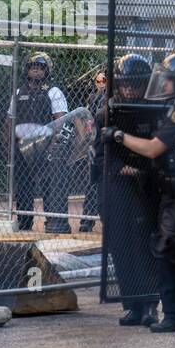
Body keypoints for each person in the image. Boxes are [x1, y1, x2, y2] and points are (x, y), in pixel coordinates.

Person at [100, 53, 175, 333]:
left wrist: (118, 136)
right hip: (174, 187)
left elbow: (153, 148)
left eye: (169, 80)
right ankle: (173, 314)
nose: (163, 84)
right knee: (166, 250)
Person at [92, 54, 160, 326]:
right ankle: (132, 305)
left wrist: (147, 170)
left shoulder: (155, 111)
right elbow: (100, 156)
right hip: (118, 187)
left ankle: (150, 305)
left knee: (146, 244)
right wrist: (129, 169)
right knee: (120, 246)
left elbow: (160, 150)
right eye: (125, 84)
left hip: (147, 188)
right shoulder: (106, 114)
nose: (130, 89)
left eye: (136, 84)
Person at [10, 52, 71, 233]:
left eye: (40, 67)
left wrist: (54, 146)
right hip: (23, 146)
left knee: (48, 186)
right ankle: (24, 222)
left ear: (47, 71)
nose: (36, 70)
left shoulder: (53, 91)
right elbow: (9, 121)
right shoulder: (18, 92)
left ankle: (52, 222)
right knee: (23, 186)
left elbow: (60, 120)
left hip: (45, 147)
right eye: (32, 67)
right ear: (27, 70)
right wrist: (9, 145)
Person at [81, 66, 109, 232]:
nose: (101, 84)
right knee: (92, 180)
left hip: (109, 139)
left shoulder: (114, 96)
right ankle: (87, 219)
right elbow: (87, 118)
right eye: (98, 81)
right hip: (96, 140)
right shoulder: (93, 97)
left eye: (103, 81)